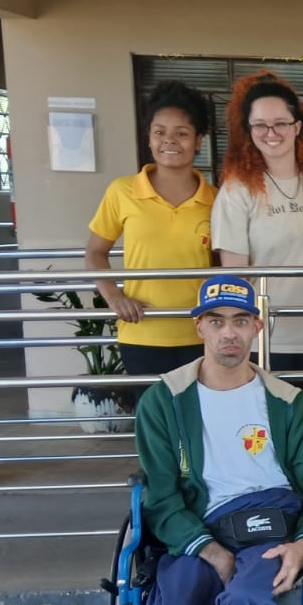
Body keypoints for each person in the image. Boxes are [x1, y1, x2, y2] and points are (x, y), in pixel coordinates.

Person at [133, 276, 303, 605]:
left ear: (257, 328)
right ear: (199, 326)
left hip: (270, 520)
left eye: (241, 321)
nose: (229, 332)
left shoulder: (287, 402)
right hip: (195, 525)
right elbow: (160, 496)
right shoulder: (164, 400)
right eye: (217, 321)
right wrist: (210, 550)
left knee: (246, 599)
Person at [212, 70, 303, 418]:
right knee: (265, 433)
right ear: (248, 130)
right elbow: (234, 277)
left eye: (280, 123)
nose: (271, 133)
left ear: (298, 126)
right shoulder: (238, 190)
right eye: (260, 125)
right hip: (267, 340)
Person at [84, 80, 217, 380]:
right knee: (151, 409)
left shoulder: (216, 199)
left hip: (201, 334)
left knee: (199, 410)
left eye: (181, 133)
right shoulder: (122, 191)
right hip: (142, 333)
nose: (169, 141)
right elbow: (95, 252)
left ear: (198, 140)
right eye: (159, 132)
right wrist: (114, 297)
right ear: (149, 138)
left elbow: (223, 265)